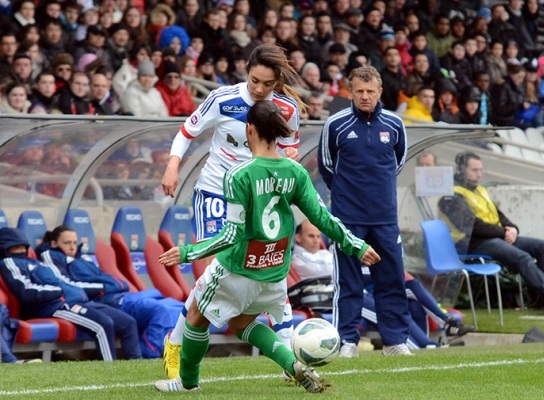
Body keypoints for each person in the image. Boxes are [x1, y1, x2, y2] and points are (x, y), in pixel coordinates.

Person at [154, 100, 380, 392]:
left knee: (197, 315)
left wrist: (187, 252)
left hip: (239, 266)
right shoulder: (295, 171)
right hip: (275, 270)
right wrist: (357, 246)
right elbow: (322, 218)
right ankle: (293, 364)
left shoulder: (239, 174)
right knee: (240, 323)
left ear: (249, 129)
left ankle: (187, 384)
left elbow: (231, 235)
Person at [160, 44, 303, 379]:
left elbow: (289, 148)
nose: (258, 89)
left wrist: (289, 160)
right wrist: (172, 166)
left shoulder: (286, 108)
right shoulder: (223, 98)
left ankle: (285, 345)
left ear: (276, 82)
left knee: (265, 270)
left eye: (266, 84)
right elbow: (187, 132)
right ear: (246, 71)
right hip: (214, 191)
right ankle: (176, 344)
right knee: (214, 266)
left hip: (255, 197)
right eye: (254, 80)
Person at [318, 66, 413, 357]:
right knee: (349, 281)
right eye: (359, 91)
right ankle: (346, 341)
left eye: (370, 91)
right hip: (347, 220)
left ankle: (395, 341)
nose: (365, 97)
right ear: (350, 92)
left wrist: (376, 193)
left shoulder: (395, 125)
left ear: (380, 92)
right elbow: (326, 167)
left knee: (392, 278)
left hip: (385, 218)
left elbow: (397, 162)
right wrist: (349, 196)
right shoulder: (335, 125)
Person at [438, 151, 544, 315]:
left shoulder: (480, 191)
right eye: (474, 170)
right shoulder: (451, 195)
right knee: (521, 257)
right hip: (470, 244)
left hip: (493, 239)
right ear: (461, 170)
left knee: (540, 246)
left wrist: (512, 229)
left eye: (480, 170)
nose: (479, 174)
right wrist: (503, 232)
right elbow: (472, 226)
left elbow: (499, 215)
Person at [292, 220, 473, 350]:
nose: (316, 240)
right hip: (333, 296)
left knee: (407, 293)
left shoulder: (325, 255)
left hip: (352, 287)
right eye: (310, 236)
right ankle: (427, 345)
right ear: (298, 238)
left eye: (318, 236)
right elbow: (337, 272)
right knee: (390, 307)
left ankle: (437, 335)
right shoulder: (299, 259)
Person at [37, 225, 183, 358]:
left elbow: (106, 279)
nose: (72, 247)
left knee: (177, 307)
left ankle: (174, 352)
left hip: (121, 295)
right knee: (160, 309)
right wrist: (104, 288)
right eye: (67, 243)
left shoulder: (82, 259)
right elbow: (67, 283)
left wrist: (113, 285)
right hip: (105, 299)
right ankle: (150, 354)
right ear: (54, 243)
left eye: (74, 243)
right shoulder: (53, 257)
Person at [0, 227, 142, 361]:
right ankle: (111, 369)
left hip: (74, 301)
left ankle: (137, 363)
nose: (21, 250)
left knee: (127, 322)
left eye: (23, 247)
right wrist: (59, 292)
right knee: (103, 325)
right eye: (16, 247)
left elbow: (60, 281)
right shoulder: (9, 262)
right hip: (53, 307)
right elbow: (26, 291)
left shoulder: (34, 262)